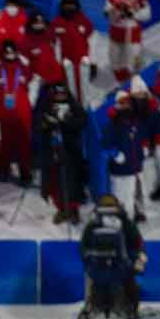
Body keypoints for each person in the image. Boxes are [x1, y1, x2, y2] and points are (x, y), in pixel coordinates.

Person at [77, 194, 145, 319]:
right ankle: (131, 315)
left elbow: (83, 250)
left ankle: (89, 314)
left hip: (99, 273)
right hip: (121, 272)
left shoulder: (92, 225)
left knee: (96, 292)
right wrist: (135, 265)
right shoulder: (128, 224)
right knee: (131, 291)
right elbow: (139, 248)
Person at [105, 76, 160, 220]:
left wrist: (146, 146)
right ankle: (123, 216)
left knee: (140, 187)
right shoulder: (116, 122)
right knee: (123, 192)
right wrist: (115, 154)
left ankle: (138, 211)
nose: (140, 96)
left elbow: (144, 132)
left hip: (137, 160)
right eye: (137, 94)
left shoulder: (140, 115)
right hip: (123, 165)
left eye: (126, 103)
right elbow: (107, 142)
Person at [34, 83, 89, 224]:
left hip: (71, 151)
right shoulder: (46, 106)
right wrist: (47, 123)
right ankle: (62, 209)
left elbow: (82, 121)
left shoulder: (74, 106)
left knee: (73, 182)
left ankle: (73, 210)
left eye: (62, 94)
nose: (60, 97)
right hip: (52, 151)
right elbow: (38, 122)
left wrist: (66, 121)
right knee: (55, 182)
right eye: (57, 94)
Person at [0, 41, 35, 186]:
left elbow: (34, 85)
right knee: (5, 142)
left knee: (24, 143)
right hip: (3, 112)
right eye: (7, 52)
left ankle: (25, 173)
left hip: (22, 111)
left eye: (12, 52)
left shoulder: (24, 68)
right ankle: (4, 171)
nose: (10, 55)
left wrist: (30, 102)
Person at [105, 0, 149, 83]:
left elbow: (147, 13)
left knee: (134, 62)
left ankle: (135, 85)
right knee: (116, 62)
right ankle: (121, 86)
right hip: (116, 34)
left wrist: (133, 15)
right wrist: (115, 12)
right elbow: (107, 12)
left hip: (133, 34)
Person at [52, 0, 97, 102]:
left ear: (77, 6)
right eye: (66, 5)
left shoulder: (83, 20)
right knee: (68, 89)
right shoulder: (57, 22)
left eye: (72, 5)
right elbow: (53, 44)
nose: (69, 8)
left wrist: (92, 62)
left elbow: (93, 40)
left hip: (82, 63)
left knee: (83, 91)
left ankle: (84, 111)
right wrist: (57, 64)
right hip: (66, 64)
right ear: (62, 6)